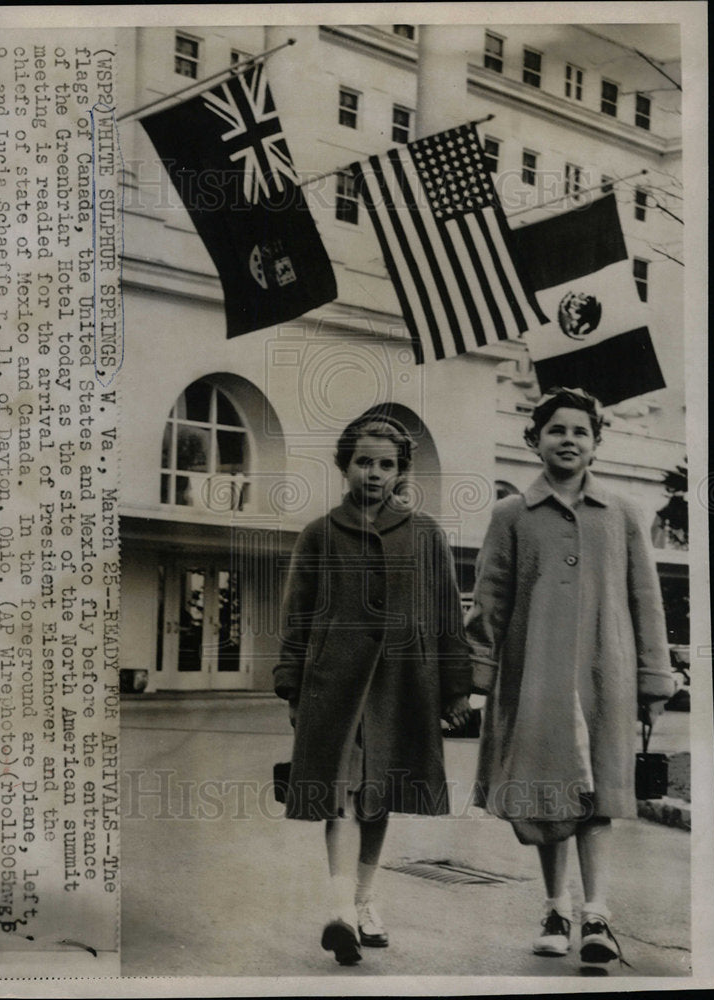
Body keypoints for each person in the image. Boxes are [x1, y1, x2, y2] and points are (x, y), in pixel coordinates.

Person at [466, 387, 676, 967]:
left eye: (581, 431)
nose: (569, 440)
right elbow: (491, 597)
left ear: (597, 444)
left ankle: (598, 914)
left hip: (605, 675)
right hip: (534, 676)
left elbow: (645, 601)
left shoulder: (622, 514)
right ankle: (557, 906)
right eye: (557, 430)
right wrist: (476, 674)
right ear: (534, 441)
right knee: (546, 793)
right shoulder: (511, 515)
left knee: (599, 797)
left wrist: (654, 682)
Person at [274, 412, 472, 966]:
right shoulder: (320, 533)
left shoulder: (426, 534)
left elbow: (448, 616)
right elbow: (297, 615)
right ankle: (339, 911)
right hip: (332, 687)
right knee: (340, 789)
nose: (375, 473)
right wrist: (292, 684)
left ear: (401, 471)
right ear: (345, 465)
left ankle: (364, 901)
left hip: (400, 686)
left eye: (387, 464)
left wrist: (457, 686)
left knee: (377, 793)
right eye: (364, 461)